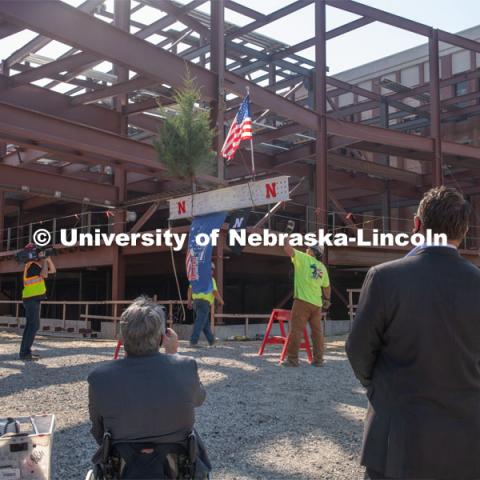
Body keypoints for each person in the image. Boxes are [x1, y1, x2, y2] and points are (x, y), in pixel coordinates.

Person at [346, 186, 480, 480]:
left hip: (397, 437)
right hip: (466, 441)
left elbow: (358, 349)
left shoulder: (385, 277)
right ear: (465, 231)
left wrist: (379, 388)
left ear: (417, 224)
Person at [87, 296, 210, 476]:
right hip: (176, 466)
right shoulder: (186, 366)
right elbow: (199, 398)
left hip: (123, 466)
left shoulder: (99, 378)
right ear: (161, 338)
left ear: (121, 338)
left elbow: (99, 431)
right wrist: (173, 354)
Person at [282, 241, 331, 367]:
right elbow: (327, 287)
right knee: (317, 333)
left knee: (296, 331)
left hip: (302, 302)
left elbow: (287, 248)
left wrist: (286, 236)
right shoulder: (322, 267)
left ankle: (292, 360)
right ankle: (318, 360)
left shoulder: (303, 258)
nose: (306, 249)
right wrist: (327, 300)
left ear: (312, 251)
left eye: (308, 248)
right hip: (317, 304)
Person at [19, 244, 56, 361]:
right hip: (31, 299)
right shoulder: (32, 265)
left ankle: (25, 352)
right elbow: (45, 274)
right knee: (34, 326)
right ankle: (25, 354)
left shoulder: (34, 266)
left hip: (32, 299)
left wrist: (48, 259)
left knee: (31, 326)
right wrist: (45, 260)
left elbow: (53, 270)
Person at [187, 262, 224, 347]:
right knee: (200, 322)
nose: (212, 271)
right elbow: (214, 292)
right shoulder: (210, 279)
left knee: (205, 324)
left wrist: (189, 301)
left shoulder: (196, 278)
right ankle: (193, 342)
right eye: (211, 269)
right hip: (204, 303)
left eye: (213, 269)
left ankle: (212, 341)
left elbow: (190, 289)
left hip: (196, 302)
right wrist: (221, 301)